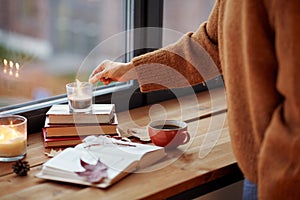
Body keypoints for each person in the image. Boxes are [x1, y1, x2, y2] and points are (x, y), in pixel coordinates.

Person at [89, 0, 300, 199]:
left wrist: (279, 174)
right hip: (263, 171)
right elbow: (209, 46)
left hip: (283, 176)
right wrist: (132, 69)